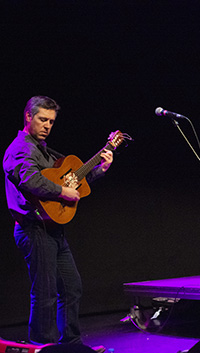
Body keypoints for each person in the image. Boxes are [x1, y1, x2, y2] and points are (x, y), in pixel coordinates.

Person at [3, 96, 113, 347]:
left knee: (71, 287)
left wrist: (100, 169)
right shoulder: (21, 148)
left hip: (52, 229)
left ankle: (71, 346)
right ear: (28, 117)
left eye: (51, 121)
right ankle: (44, 347)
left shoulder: (44, 150)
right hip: (33, 229)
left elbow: (72, 180)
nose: (47, 126)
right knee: (45, 293)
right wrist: (62, 192)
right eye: (42, 119)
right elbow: (31, 180)